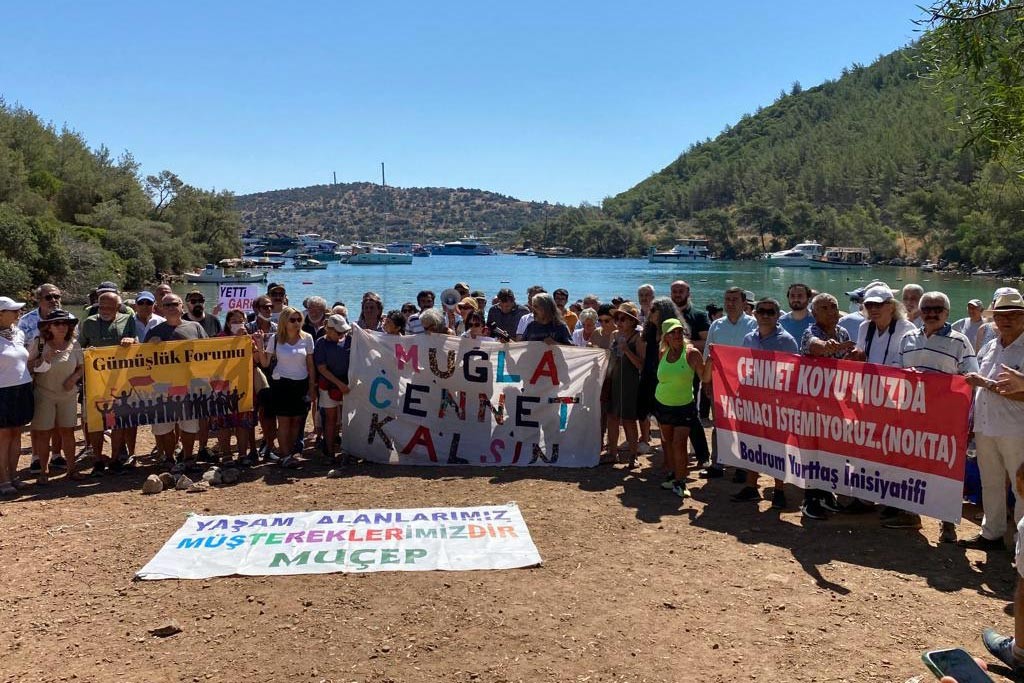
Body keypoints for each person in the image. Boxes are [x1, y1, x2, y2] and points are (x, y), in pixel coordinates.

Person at [881, 291, 979, 535]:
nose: (932, 313)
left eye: (938, 309)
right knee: (910, 463)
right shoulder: (908, 338)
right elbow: (896, 370)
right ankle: (910, 514)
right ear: (920, 312)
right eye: (927, 309)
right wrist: (907, 375)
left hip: (945, 418)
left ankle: (947, 523)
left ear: (947, 312)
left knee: (945, 468)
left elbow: (971, 379)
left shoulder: (960, 341)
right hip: (912, 417)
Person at [960, 290, 1024, 551]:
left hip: (1016, 430)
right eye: (1001, 316)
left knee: (1021, 488)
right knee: (991, 482)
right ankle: (992, 533)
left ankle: (1022, 543)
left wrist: (986, 384)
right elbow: (976, 389)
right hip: (986, 426)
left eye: (1013, 315)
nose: (1006, 320)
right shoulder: (990, 345)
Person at [735, 298, 799, 506]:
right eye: (761, 311)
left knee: (778, 446)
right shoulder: (748, 338)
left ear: (777, 315)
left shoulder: (787, 341)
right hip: (753, 401)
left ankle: (779, 490)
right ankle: (752, 486)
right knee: (751, 443)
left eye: (770, 312)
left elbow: (792, 374)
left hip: (777, 403)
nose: (765, 315)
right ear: (755, 314)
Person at [799, 293, 855, 519]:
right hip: (813, 403)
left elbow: (849, 358)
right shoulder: (810, 332)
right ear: (814, 313)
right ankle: (810, 498)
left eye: (833, 306)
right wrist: (827, 347)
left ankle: (826, 493)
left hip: (837, 402)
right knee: (812, 448)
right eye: (824, 308)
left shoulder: (843, 332)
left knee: (833, 448)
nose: (831, 311)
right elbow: (815, 346)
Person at [145, 294, 207, 472]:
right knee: (164, 426)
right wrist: (150, 346)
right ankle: (169, 458)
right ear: (161, 309)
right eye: (167, 305)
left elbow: (210, 352)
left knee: (189, 424)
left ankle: (188, 457)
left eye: (174, 304)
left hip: (189, 384)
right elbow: (142, 360)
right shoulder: (154, 331)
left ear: (182, 306)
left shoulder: (195, 327)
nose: (171, 307)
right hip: (162, 386)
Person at [701, 287, 757, 478]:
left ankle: (742, 466)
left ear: (744, 303)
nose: (730, 303)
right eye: (727, 299)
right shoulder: (716, 325)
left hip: (744, 383)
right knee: (720, 424)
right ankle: (718, 463)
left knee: (742, 425)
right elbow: (708, 355)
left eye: (734, 299)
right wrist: (707, 382)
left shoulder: (753, 325)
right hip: (720, 382)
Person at [80, 291, 137, 475]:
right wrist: (87, 351)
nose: (105, 310)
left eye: (110, 307)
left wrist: (131, 341)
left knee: (117, 420)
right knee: (96, 421)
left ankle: (114, 459)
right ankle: (97, 459)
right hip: (95, 380)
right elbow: (80, 348)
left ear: (118, 307)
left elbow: (136, 343)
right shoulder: (89, 323)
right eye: (102, 306)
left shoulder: (128, 319)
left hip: (119, 379)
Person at [27, 310, 84, 483]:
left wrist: (73, 379)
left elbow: (81, 367)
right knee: (44, 433)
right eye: (57, 324)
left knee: (68, 432)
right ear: (48, 327)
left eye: (65, 323)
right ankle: (43, 472)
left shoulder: (74, 343)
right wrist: (43, 359)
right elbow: (27, 366)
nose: (62, 327)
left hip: (67, 394)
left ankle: (71, 469)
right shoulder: (39, 343)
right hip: (44, 394)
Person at [257, 305, 315, 468]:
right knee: (283, 421)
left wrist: (312, 386)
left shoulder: (307, 338)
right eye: (292, 320)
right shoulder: (276, 339)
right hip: (281, 384)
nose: (296, 323)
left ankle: (291, 451)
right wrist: (260, 346)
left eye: (299, 319)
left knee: (297, 420)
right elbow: (265, 362)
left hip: (301, 383)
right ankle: (286, 455)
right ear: (284, 321)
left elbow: (310, 365)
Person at [655, 318, 705, 499]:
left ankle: (681, 481)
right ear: (665, 336)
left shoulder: (691, 353)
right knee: (667, 442)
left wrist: (713, 361)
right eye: (672, 332)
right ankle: (673, 475)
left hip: (684, 407)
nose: (677, 335)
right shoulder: (663, 352)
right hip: (662, 405)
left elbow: (705, 377)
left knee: (679, 443)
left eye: (679, 332)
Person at [19, 283, 66, 473]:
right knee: (39, 420)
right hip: (35, 377)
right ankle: (37, 457)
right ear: (39, 300)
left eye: (57, 296)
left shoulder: (67, 318)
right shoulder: (26, 321)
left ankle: (56, 454)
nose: (54, 300)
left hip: (61, 374)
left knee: (58, 419)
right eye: (49, 297)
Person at [210, 308, 257, 464]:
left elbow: (257, 359)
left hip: (243, 384)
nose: (238, 324)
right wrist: (235, 341)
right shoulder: (220, 338)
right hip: (223, 386)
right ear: (228, 323)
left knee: (242, 422)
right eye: (234, 321)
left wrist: (255, 343)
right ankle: (226, 454)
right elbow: (217, 363)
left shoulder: (249, 338)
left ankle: (242, 454)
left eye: (241, 321)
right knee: (224, 423)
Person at [638, 297, 680, 456]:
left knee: (664, 414)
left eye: (654, 310)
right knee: (643, 409)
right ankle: (645, 440)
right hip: (648, 373)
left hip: (664, 377)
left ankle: (667, 446)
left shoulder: (673, 333)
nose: (650, 312)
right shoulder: (649, 329)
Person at [605, 302, 644, 467]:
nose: (619, 322)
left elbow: (641, 365)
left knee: (628, 419)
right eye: (617, 318)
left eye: (623, 319)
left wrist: (627, 350)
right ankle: (612, 453)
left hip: (630, 383)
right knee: (612, 418)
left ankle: (633, 455)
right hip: (614, 380)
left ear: (633, 321)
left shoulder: (638, 338)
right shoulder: (614, 335)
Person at [0, 296, 33, 494]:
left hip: (22, 388)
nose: (17, 313)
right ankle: (2, 479)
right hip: (2, 392)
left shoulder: (19, 333)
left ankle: (13, 475)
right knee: (3, 436)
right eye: (13, 310)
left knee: (16, 434)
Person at [314, 314, 352, 464]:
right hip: (329, 386)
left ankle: (344, 450)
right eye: (338, 332)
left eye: (343, 332)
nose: (342, 335)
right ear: (328, 329)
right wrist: (339, 384)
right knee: (330, 419)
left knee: (344, 419)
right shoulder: (321, 343)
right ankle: (329, 451)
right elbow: (322, 368)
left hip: (347, 385)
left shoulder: (350, 340)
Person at [849, 284, 917, 367]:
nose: (873, 309)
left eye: (878, 305)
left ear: (892, 306)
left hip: (895, 378)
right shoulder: (864, 327)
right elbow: (860, 355)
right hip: (869, 378)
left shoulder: (907, 329)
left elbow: (909, 362)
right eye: (869, 305)